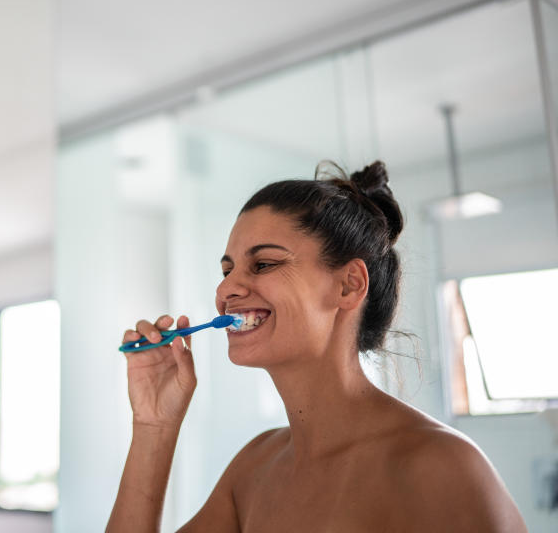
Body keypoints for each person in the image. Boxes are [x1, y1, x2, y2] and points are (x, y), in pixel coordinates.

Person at [107, 161, 527, 532]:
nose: (226, 288)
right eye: (227, 268)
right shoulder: (254, 469)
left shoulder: (441, 467)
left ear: (349, 284)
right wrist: (154, 427)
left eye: (264, 264)